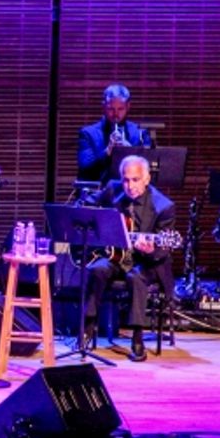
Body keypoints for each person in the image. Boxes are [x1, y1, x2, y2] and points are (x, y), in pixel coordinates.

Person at [83, 155, 175, 362]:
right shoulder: (112, 189)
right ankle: (88, 326)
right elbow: (87, 205)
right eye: (126, 179)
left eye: (135, 180)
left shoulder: (163, 206)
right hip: (117, 255)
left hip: (146, 261)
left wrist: (150, 250)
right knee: (97, 269)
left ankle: (137, 337)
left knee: (136, 277)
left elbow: (163, 250)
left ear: (146, 179)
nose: (130, 185)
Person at [77, 84, 146, 183]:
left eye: (120, 109)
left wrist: (129, 150)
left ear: (128, 107)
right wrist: (108, 151)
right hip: (97, 193)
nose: (116, 114)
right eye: (111, 109)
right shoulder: (87, 134)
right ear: (103, 106)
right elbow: (85, 169)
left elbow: (147, 168)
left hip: (131, 192)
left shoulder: (140, 132)